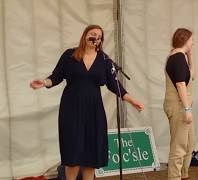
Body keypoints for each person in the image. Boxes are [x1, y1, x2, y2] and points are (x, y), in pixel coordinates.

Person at [30, 25, 144, 180]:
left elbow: (115, 84)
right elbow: (56, 76)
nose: (96, 37)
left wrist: (132, 100)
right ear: (85, 36)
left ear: (101, 41)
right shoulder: (70, 55)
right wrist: (43, 82)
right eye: (92, 34)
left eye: (99, 36)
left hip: (94, 110)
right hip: (71, 108)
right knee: (73, 155)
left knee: (91, 155)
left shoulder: (105, 60)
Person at [163, 28, 195, 180]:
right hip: (179, 106)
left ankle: (183, 175)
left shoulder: (181, 57)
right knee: (179, 147)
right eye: (191, 40)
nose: (192, 42)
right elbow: (181, 84)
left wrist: (190, 55)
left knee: (189, 143)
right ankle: (174, 177)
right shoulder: (177, 58)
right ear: (185, 40)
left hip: (183, 106)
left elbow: (192, 76)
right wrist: (187, 109)